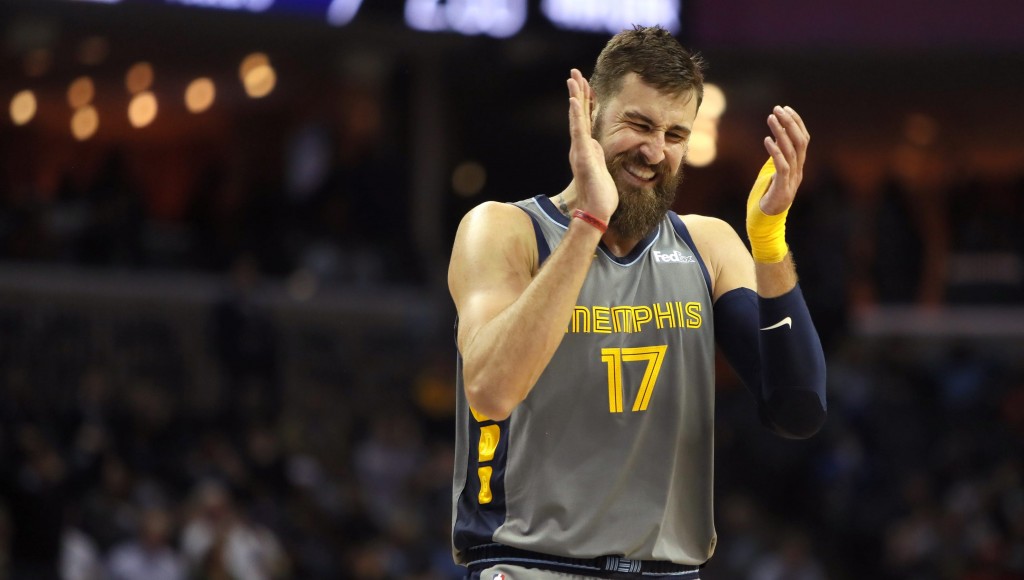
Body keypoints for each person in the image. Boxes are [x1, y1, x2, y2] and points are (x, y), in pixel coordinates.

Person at [447, 25, 827, 579]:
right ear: (592, 111)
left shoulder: (709, 246)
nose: (655, 151)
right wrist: (588, 224)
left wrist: (767, 242)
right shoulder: (503, 230)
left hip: (668, 570)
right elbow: (491, 389)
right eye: (639, 124)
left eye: (676, 134)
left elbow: (798, 409)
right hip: (527, 564)